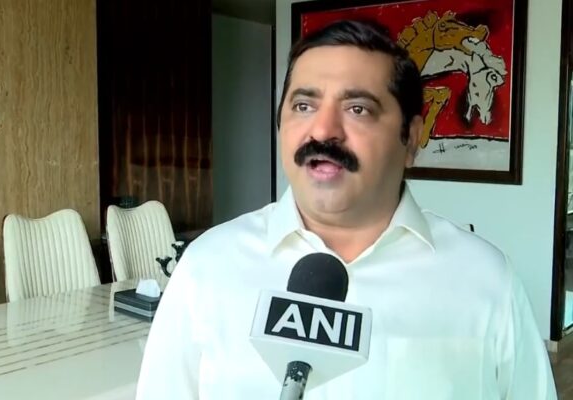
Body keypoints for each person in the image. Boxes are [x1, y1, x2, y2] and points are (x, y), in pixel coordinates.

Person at [136, 20, 557, 399]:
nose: (323, 130)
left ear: (412, 138)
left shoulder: (485, 281)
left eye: (358, 109)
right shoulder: (208, 268)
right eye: (304, 106)